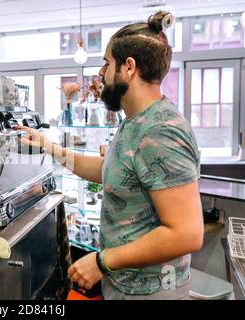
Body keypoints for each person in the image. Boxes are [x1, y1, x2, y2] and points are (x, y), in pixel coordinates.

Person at [14, 11, 203, 300]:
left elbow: (186, 233)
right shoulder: (136, 121)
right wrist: (49, 147)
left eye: (106, 63)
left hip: (151, 293)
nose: (101, 73)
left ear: (129, 67)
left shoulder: (160, 131)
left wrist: (102, 261)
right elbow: (112, 170)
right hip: (125, 286)